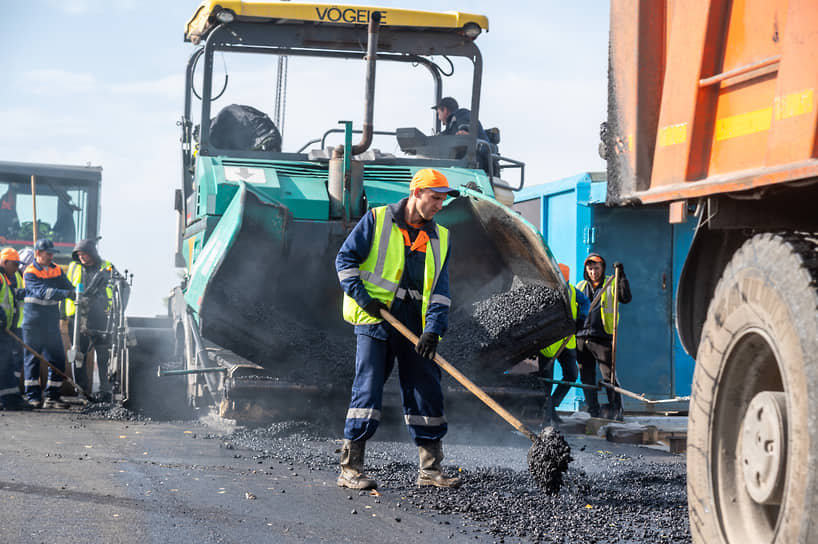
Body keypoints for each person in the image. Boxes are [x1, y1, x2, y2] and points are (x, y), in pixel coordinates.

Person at [335, 168, 460, 490]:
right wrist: (365, 300)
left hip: (415, 325)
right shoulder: (377, 220)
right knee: (368, 390)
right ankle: (350, 468)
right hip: (377, 320)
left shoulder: (440, 238)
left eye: (443, 200)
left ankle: (430, 470)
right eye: (435, 198)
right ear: (416, 193)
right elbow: (345, 261)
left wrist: (433, 330)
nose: (439, 205)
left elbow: (440, 292)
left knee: (426, 390)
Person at [64, 238, 123, 402]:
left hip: (100, 317)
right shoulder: (74, 267)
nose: (82, 257)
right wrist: (63, 313)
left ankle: (105, 391)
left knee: (103, 355)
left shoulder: (107, 266)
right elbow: (66, 288)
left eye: (84, 254)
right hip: (78, 318)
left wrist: (116, 310)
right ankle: (82, 392)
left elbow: (122, 286)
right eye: (79, 254)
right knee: (78, 355)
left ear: (92, 253)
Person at [576, 253, 631, 421]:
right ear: (586, 269)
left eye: (596, 268)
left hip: (602, 337)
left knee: (609, 376)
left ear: (602, 268)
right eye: (590, 268)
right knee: (586, 377)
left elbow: (625, 298)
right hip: (581, 339)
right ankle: (593, 410)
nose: (593, 271)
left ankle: (616, 409)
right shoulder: (580, 286)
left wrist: (622, 277)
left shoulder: (611, 283)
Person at [21, 238, 76, 409]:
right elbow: (43, 292)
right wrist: (65, 293)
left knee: (58, 359)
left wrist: (71, 293)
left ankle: (52, 396)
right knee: (32, 360)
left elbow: (70, 288)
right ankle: (33, 397)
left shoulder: (57, 270)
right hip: (33, 323)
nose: (51, 256)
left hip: (51, 323)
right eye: (48, 254)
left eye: (52, 253)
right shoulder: (30, 272)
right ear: (37, 254)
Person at [537, 263, 589, 426]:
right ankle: (545, 417)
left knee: (571, 375)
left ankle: (552, 406)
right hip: (549, 345)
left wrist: (582, 317)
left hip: (567, 342)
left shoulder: (573, 291)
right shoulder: (545, 292)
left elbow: (585, 302)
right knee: (547, 381)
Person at [0, 248, 30, 410]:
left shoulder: (7, 278)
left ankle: (11, 399)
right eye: (14, 264)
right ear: (4, 262)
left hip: (5, 330)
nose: (17, 268)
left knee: (6, 364)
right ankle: (10, 399)